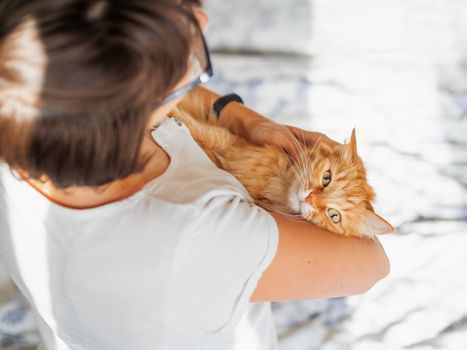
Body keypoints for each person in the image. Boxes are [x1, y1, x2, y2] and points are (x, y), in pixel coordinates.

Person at [0, 1, 390, 349]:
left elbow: (154, 87)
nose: (203, 19)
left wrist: (240, 117)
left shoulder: (23, 116)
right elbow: (372, 265)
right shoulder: (202, 229)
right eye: (184, 17)